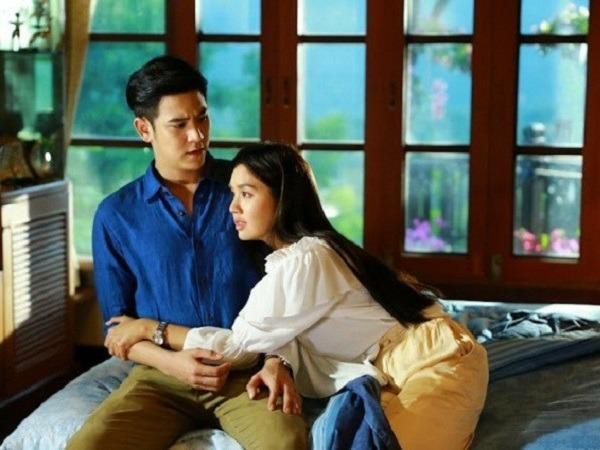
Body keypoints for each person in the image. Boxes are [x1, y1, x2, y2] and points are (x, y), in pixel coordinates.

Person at [105, 142, 489, 450]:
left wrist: (148, 328)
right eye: (232, 194)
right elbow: (281, 334)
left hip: (434, 361)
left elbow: (236, 348)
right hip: (392, 369)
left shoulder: (308, 259)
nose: (232, 207)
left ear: (282, 199)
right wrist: (278, 362)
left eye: (246, 194)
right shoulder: (293, 260)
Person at [66, 57, 306, 450]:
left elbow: (296, 288)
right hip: (162, 377)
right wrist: (173, 363)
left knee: (287, 443)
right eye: (179, 124)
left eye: (203, 118)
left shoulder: (248, 189)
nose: (197, 135)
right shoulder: (116, 215)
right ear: (144, 129)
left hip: (246, 372)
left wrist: (278, 362)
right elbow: (117, 328)